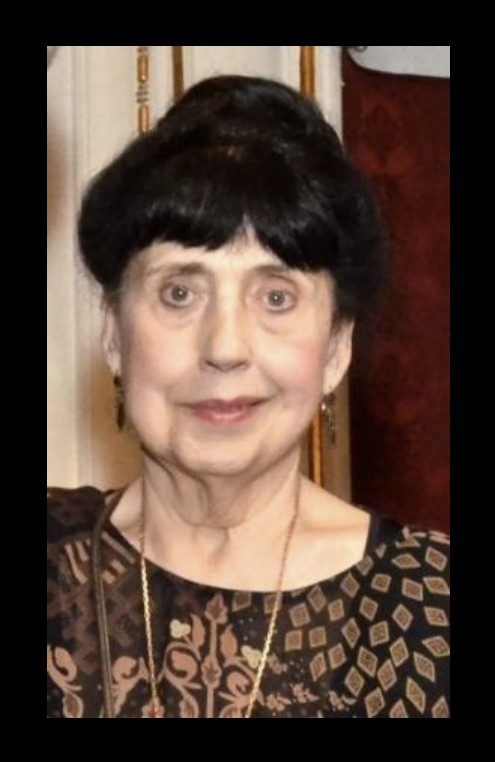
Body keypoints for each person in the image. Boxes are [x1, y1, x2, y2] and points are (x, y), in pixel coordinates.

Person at [47, 75, 450, 719]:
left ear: (336, 347)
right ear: (114, 334)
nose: (226, 346)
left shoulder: (431, 608)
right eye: (180, 292)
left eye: (276, 297)